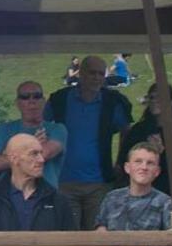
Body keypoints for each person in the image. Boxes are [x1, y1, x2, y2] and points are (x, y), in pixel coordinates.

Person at [45, 53, 134, 226]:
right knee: (69, 237)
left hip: (99, 183)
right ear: (81, 74)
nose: (97, 78)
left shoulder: (112, 102)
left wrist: (121, 161)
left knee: (97, 237)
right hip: (64, 181)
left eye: (101, 74)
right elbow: (41, 126)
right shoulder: (60, 99)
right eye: (92, 73)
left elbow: (127, 131)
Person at [0, 81, 67, 189]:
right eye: (25, 97)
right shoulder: (3, 129)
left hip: (45, 196)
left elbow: (44, 154)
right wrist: (34, 147)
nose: (31, 101)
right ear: (17, 103)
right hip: (11, 198)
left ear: (43, 101)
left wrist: (8, 154)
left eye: (36, 96)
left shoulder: (57, 129)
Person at [116, 82, 172, 199]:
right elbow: (123, 159)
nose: (155, 101)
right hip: (141, 193)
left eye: (160, 97)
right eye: (152, 97)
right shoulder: (139, 130)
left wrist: (163, 152)